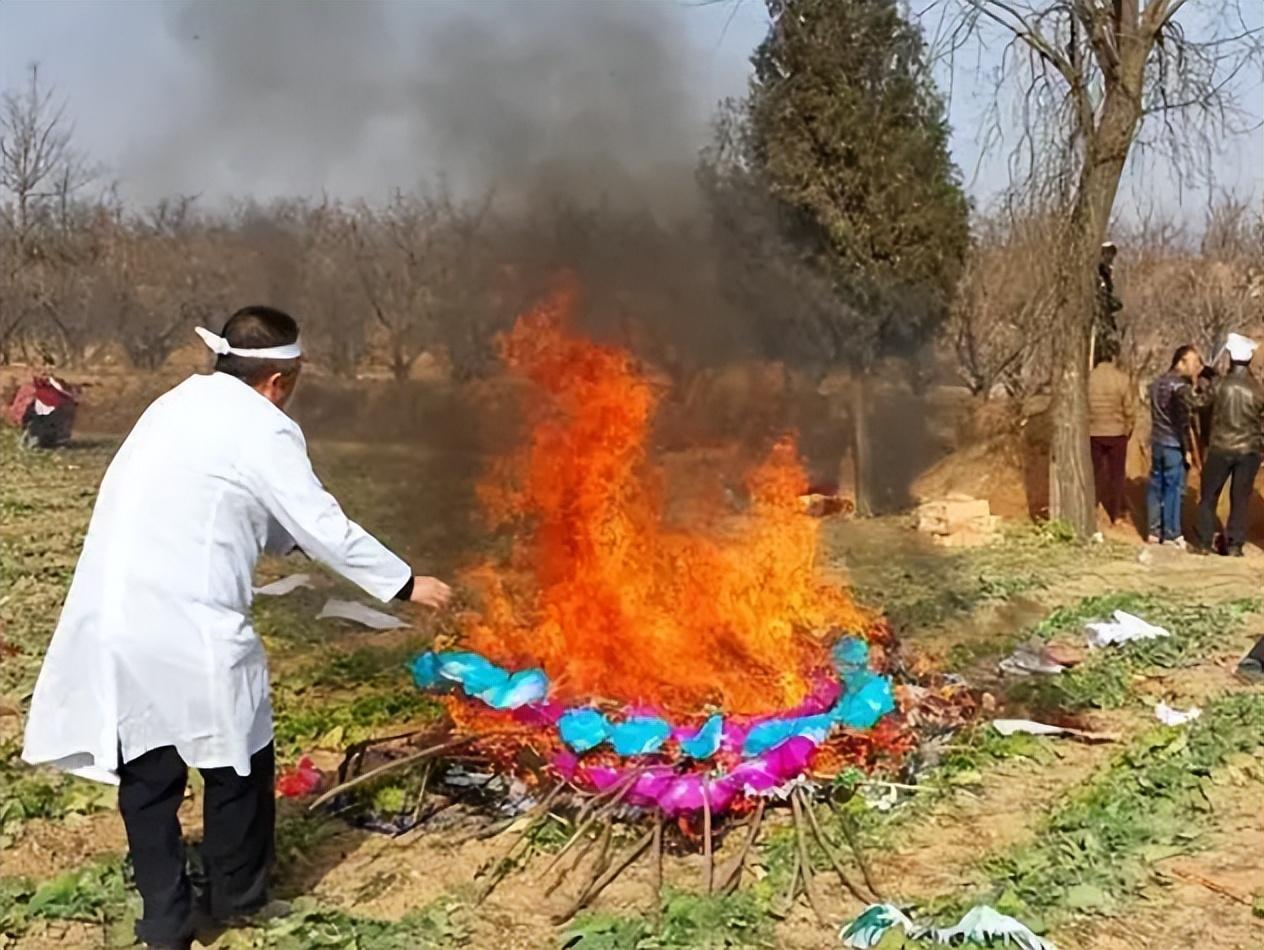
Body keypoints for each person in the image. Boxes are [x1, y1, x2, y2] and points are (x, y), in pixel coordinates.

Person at [21, 307, 452, 950]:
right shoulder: (264, 427)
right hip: (187, 620)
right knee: (240, 759)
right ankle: (239, 902)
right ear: (279, 379)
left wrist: (295, 544)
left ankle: (164, 923)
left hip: (115, 616)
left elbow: (239, 505)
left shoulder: (176, 403)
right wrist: (406, 583)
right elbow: (319, 521)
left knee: (149, 772)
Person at [1196, 333, 1264, 557]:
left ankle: (1205, 542)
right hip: (1249, 451)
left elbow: (1199, 404)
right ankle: (1235, 545)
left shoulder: (1219, 385)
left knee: (1209, 496)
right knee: (1240, 498)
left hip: (1220, 448)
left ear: (1231, 359)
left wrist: (1199, 384)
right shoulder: (1258, 390)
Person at [1146, 344, 1204, 548]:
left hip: (1157, 441)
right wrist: (1187, 449)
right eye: (1193, 361)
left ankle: (1153, 531)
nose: (1196, 366)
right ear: (1181, 361)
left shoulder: (1156, 383)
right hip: (1173, 443)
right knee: (1173, 489)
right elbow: (1184, 419)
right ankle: (1171, 533)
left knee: (1155, 486)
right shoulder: (1180, 387)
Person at [1087, 338, 1134, 524]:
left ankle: (1091, 507)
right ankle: (1116, 513)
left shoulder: (1088, 378)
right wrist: (1128, 427)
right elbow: (1129, 409)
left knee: (1094, 472)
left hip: (1093, 432)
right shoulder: (1122, 379)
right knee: (1117, 475)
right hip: (1117, 433)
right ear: (1114, 356)